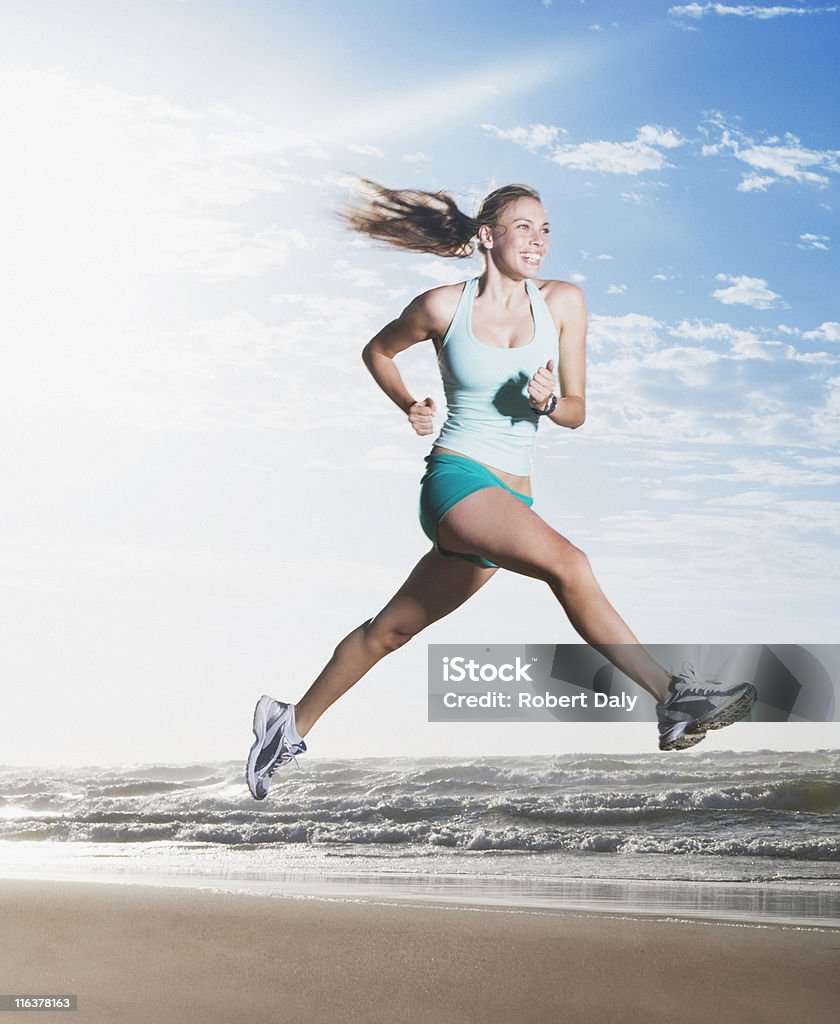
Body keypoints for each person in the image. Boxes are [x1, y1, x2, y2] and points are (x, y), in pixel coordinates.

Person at [246, 181, 756, 800]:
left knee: (392, 630)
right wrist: (410, 402)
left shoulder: (564, 302)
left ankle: (287, 724)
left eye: (546, 230)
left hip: (512, 501)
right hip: (458, 481)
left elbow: (577, 411)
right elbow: (378, 351)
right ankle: (674, 696)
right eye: (524, 227)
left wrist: (546, 405)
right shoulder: (442, 308)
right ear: (488, 236)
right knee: (570, 565)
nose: (539, 240)